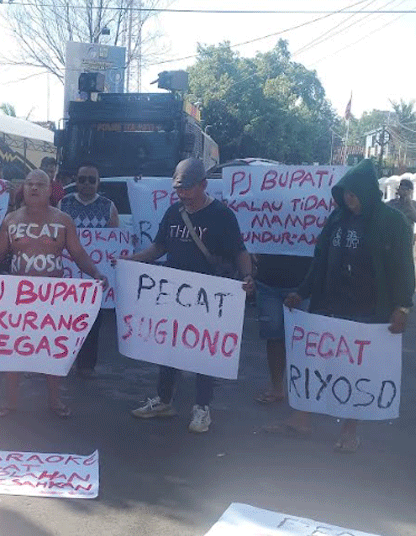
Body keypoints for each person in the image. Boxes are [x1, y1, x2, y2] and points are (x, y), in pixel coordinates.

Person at [267, 159, 415, 453]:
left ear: (368, 193)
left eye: (354, 194)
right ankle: (301, 419)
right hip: (329, 306)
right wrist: (302, 291)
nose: (349, 200)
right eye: (344, 195)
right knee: (316, 364)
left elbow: (402, 268)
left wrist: (402, 306)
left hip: (369, 310)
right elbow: (319, 261)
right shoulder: (336, 219)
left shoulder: (392, 223)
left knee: (357, 372)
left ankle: (350, 430)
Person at [121, 158, 254, 433]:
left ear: (204, 185)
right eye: (178, 190)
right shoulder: (173, 213)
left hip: (208, 295)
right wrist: (131, 261)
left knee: (203, 351)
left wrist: (247, 276)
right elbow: (158, 248)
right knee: (169, 347)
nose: (182, 195)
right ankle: (164, 400)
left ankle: (202, 407)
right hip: (174, 294)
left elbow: (240, 251)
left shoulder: (222, 216)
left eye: (188, 189)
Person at [0, 169, 108, 418]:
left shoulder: (63, 220)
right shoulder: (11, 220)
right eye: (29, 183)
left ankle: (55, 400)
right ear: (23, 188)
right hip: (17, 295)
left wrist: (96, 273)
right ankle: (10, 401)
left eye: (40, 184)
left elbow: (78, 253)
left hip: (52, 296)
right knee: (13, 349)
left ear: (50, 189)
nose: (33, 188)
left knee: (52, 348)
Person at [58, 162, 119, 378]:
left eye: (91, 180)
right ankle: (65, 360)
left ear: (98, 182)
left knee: (93, 321)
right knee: (66, 319)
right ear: (76, 180)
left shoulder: (108, 206)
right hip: (69, 274)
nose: (85, 184)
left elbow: (114, 239)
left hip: (96, 276)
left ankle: (86, 365)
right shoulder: (63, 204)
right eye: (81, 179)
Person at [253, 254, 311, 404]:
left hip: (303, 284)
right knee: (273, 337)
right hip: (268, 281)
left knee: (302, 341)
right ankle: (277, 387)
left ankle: (301, 393)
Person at [386, 178, 416, 243]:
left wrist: (410, 206)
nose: (405, 192)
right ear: (398, 190)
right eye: (403, 189)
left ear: (411, 191)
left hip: (407, 239)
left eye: (407, 190)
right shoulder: (391, 204)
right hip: (392, 238)